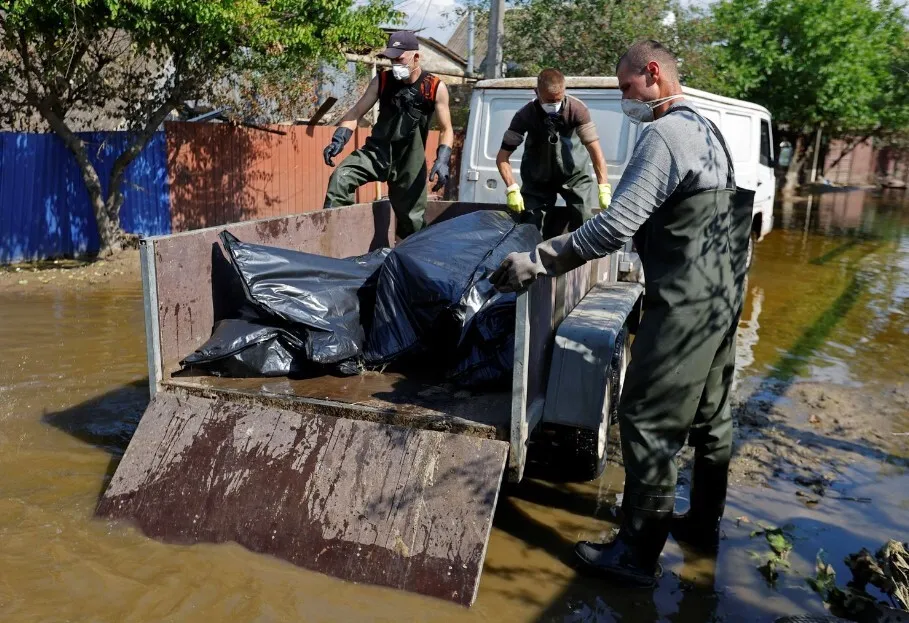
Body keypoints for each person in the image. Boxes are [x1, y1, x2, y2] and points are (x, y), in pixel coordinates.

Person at [490, 40, 750, 587]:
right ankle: (702, 526)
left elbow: (614, 226)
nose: (625, 99)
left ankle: (636, 556)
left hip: (683, 304)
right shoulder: (709, 132)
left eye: (627, 87)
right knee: (710, 417)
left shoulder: (665, 135)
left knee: (648, 418)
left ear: (652, 74)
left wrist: (539, 260)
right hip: (723, 300)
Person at [322, 31, 454, 239]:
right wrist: (339, 138)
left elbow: (447, 129)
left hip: (410, 161)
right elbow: (356, 112)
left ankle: (411, 261)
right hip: (377, 152)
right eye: (392, 59)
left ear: (416, 57)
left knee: (412, 221)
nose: (395, 64)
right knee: (340, 179)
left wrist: (443, 159)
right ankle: (335, 238)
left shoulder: (434, 87)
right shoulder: (381, 81)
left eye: (399, 59)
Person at [496, 68, 612, 239]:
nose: (554, 104)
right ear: (537, 92)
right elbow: (502, 157)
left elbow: (596, 152)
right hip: (537, 179)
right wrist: (512, 188)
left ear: (564, 92)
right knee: (529, 227)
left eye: (558, 99)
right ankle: (530, 263)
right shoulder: (525, 115)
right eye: (549, 100)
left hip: (575, 177)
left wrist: (604, 188)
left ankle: (579, 261)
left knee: (584, 220)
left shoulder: (577, 110)